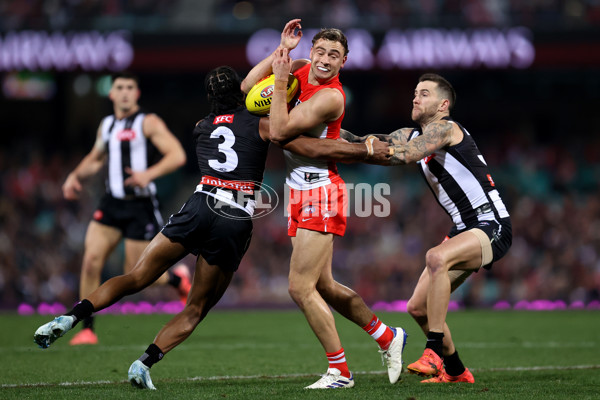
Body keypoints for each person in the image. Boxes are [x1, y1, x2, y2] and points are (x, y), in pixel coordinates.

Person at [34, 66, 391, 390]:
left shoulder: (201, 128)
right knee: (195, 309)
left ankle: (71, 316)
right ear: (245, 92)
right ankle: (144, 363)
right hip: (233, 216)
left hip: (200, 203)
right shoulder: (262, 124)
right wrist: (361, 149)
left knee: (137, 276)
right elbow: (305, 144)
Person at [241, 19, 407, 389]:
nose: (326, 59)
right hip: (298, 191)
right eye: (320, 51)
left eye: (335, 55)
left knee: (299, 288)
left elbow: (281, 131)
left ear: (343, 61)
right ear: (310, 52)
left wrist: (282, 80)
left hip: (321, 192)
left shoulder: (332, 96)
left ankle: (340, 372)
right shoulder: (298, 68)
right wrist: (280, 52)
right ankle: (387, 336)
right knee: (326, 286)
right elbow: (249, 89)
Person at [341, 73, 512, 383]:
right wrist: (322, 131)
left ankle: (433, 352)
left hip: (491, 224)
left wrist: (369, 151)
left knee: (436, 257)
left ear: (443, 104)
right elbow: (362, 142)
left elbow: (407, 154)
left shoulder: (446, 128)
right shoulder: (411, 135)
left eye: (424, 94)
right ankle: (457, 371)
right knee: (417, 307)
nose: (415, 98)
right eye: (414, 93)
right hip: (464, 229)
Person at [61, 71, 190, 346]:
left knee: (137, 274)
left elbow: (177, 154)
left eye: (130, 87)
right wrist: (75, 175)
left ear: (137, 93)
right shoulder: (107, 125)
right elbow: (96, 159)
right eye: (119, 87)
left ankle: (176, 281)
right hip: (111, 204)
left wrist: (148, 174)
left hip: (140, 206)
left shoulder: (148, 122)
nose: (125, 92)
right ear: (111, 94)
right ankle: (87, 329)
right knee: (90, 262)